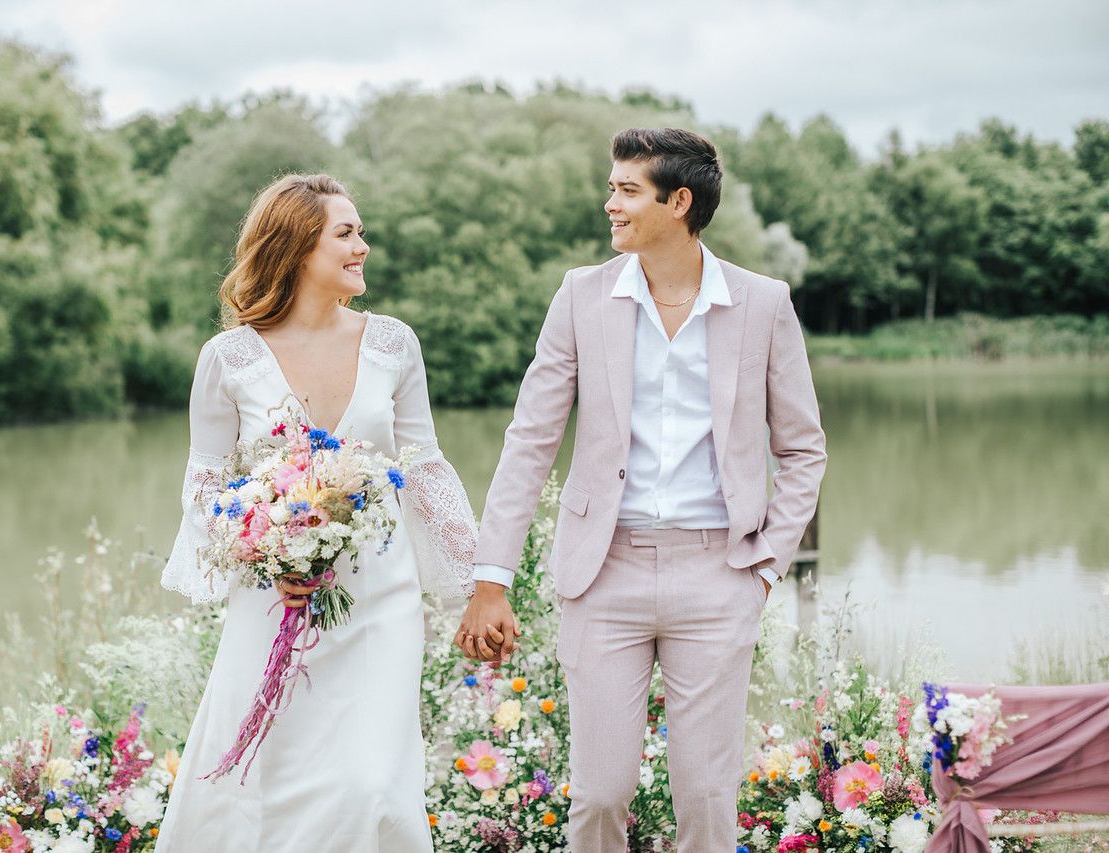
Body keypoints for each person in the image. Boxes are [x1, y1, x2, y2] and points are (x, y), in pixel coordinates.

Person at [458, 128, 827, 851]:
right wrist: (490, 578)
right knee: (599, 794)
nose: (611, 204)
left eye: (627, 190)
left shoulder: (763, 303)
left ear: (678, 202)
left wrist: (763, 567)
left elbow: (803, 448)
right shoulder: (581, 295)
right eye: (612, 188)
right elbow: (530, 441)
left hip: (719, 573)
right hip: (603, 572)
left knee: (708, 797)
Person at [156, 174, 477, 852]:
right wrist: (265, 554)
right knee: (269, 781)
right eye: (346, 233)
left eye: (361, 231)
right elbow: (207, 487)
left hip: (380, 599)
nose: (364, 246)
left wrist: (478, 582)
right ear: (298, 246)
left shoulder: (393, 344)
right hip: (272, 600)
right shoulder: (228, 359)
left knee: (373, 785)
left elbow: (423, 466)